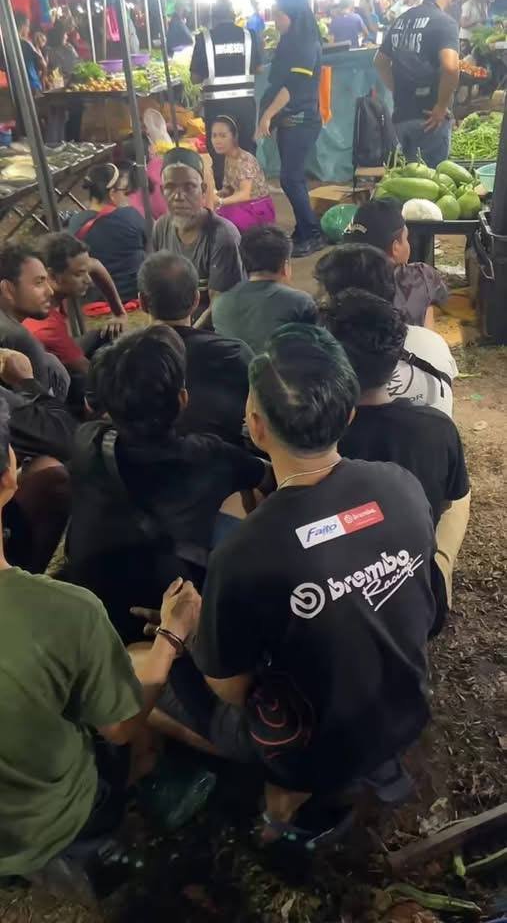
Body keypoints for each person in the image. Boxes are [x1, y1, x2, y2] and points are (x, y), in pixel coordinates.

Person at [146, 323, 442, 838]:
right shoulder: (402, 486)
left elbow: (231, 688)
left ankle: (280, 805)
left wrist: (183, 630)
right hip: (405, 710)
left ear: (256, 427)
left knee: (141, 665)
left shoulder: (245, 552)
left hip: (310, 749)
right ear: (348, 417)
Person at [0, 391, 201, 882]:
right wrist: (172, 636)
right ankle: (127, 810)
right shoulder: (65, 612)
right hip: (52, 821)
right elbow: (120, 727)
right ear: (8, 474)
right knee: (136, 666)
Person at [63, 325, 269, 643]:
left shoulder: (86, 439)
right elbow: (269, 477)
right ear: (183, 398)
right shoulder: (208, 456)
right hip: (169, 611)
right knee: (250, 498)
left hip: (94, 605)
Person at [325, 289, 470, 605]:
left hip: (338, 591)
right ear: (397, 357)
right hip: (417, 583)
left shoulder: (319, 438)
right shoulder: (437, 427)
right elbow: (451, 500)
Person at [315, 243, 457, 416]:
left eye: (322, 290)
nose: (318, 297)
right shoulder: (433, 342)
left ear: (341, 299)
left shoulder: (327, 362)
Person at [138, 252, 252, 446]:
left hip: (148, 459)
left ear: (141, 302)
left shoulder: (124, 357)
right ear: (196, 300)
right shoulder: (234, 352)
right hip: (228, 457)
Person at [257, 0, 324, 257]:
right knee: (292, 178)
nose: (275, 21)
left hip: (302, 119)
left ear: (293, 14)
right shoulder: (290, 40)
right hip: (289, 120)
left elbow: (292, 87)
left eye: (279, 15)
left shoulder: (306, 43)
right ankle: (304, 227)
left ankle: (313, 234)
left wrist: (267, 115)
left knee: (290, 178)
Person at [375, 0, 459, 167]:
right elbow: (450, 67)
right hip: (430, 119)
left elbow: (379, 61)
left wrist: (398, 89)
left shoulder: (401, 20)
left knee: (407, 177)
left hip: (401, 116)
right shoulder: (444, 22)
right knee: (431, 181)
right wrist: (441, 106)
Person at [24, 234, 125, 381]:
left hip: (60, 349)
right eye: (79, 274)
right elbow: (88, 371)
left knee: (109, 335)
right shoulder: (45, 325)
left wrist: (119, 313)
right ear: (52, 276)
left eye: (86, 272)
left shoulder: (46, 288)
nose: (88, 280)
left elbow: (95, 265)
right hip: (45, 380)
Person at [152, 147, 243, 302]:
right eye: (170, 187)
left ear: (203, 190)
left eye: (189, 187)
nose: (178, 196)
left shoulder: (223, 236)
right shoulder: (161, 227)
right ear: (162, 191)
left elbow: (219, 306)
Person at [191, 0, 262, 189]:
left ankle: (226, 194)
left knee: (220, 149)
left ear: (213, 17)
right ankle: (249, 192)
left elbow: (195, 77)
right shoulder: (249, 35)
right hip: (244, 105)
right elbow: (258, 68)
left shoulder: (204, 38)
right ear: (233, 15)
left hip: (217, 107)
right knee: (245, 148)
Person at [213, 225, 317, 353]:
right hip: (283, 365)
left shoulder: (220, 303)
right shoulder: (300, 301)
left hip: (234, 366)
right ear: (285, 266)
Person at [344, 199, 448, 326]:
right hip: (403, 337)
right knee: (427, 304)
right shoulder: (421, 275)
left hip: (357, 336)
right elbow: (442, 297)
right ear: (395, 248)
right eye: (406, 238)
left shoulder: (336, 278)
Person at [0, 243, 70, 401]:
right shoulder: (18, 338)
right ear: (8, 289)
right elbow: (44, 413)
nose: (50, 291)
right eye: (38, 282)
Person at [68, 162, 146, 302]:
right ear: (112, 193)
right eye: (124, 191)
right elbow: (150, 244)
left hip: (96, 300)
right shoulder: (131, 216)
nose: (127, 196)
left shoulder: (75, 222)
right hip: (134, 296)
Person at [212, 115, 275, 233]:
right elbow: (229, 188)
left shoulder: (244, 160)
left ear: (234, 137)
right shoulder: (228, 157)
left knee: (220, 222)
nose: (217, 141)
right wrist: (214, 195)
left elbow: (245, 195)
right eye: (214, 135)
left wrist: (219, 201)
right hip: (244, 205)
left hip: (257, 208)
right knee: (211, 214)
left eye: (223, 135)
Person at [15, 11, 45, 92]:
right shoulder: (26, 43)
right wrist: (38, 46)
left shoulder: (7, 44)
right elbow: (43, 65)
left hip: (16, 88)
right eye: (28, 26)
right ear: (23, 26)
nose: (28, 30)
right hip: (33, 86)